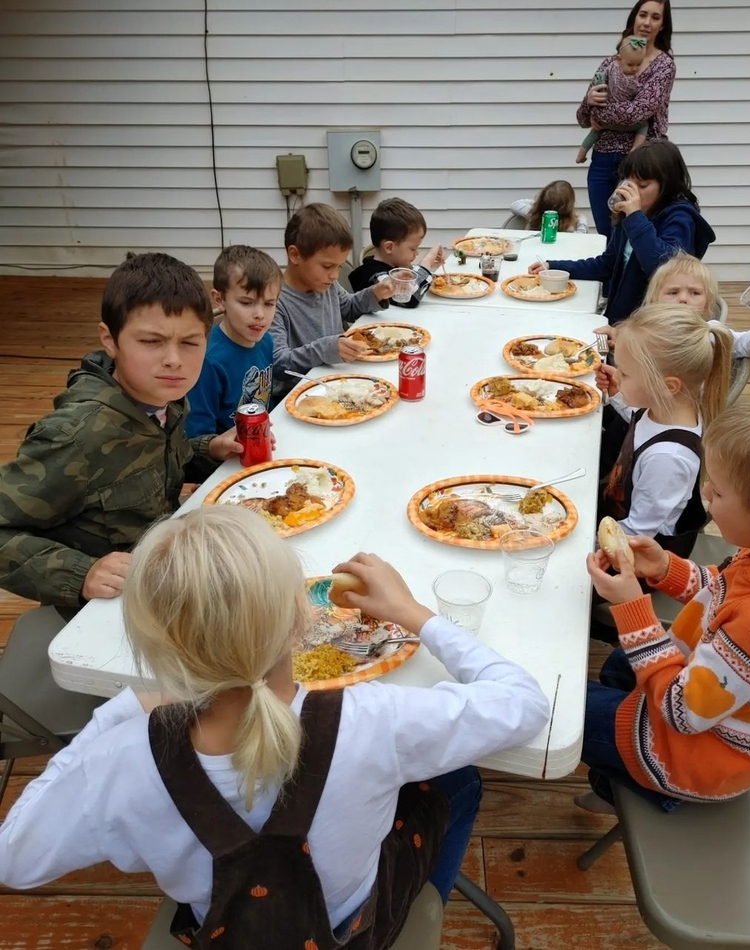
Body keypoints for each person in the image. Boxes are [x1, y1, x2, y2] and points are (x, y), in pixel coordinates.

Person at [0, 505, 550, 945]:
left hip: (220, 925)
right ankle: (426, 898)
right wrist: (414, 615)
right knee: (461, 781)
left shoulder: (120, 760)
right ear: (301, 620)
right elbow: (525, 704)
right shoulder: (377, 721)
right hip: (350, 927)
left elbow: (14, 858)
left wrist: (128, 708)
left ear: (153, 644)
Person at [579, 392, 750, 814]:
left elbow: (683, 712)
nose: (704, 495)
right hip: (701, 687)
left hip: (687, 757)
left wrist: (631, 608)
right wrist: (665, 568)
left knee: (559, 712)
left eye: (716, 492)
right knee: (617, 666)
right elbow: (722, 587)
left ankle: (645, 785)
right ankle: (619, 757)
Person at [0, 253, 241, 614]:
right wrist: (81, 574)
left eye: (190, 343)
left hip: (166, 577)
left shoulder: (166, 399)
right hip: (108, 612)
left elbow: (150, 461)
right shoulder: (74, 438)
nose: (174, 359)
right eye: (151, 342)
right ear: (109, 340)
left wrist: (211, 449)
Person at [595, 303, 732, 557]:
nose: (618, 376)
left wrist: (584, 547)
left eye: (625, 374)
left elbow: (636, 534)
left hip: (637, 556)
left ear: (668, 386)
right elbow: (641, 424)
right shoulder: (666, 409)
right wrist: (617, 392)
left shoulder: (668, 458)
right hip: (614, 516)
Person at [529, 140, 715, 325]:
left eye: (642, 185)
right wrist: (555, 267)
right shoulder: (631, 215)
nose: (631, 191)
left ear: (667, 186)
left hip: (652, 331)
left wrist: (635, 217)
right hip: (620, 320)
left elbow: (664, 271)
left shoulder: (679, 218)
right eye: (629, 182)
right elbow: (607, 264)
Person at [269, 203, 395, 406]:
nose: (334, 275)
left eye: (339, 266)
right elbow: (279, 364)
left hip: (339, 385)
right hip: (298, 400)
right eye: (327, 266)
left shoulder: (326, 284)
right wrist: (326, 348)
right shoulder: (273, 302)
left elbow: (349, 307)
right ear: (295, 255)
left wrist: (375, 293)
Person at [577, 0, 676, 237]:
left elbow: (638, 113)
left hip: (640, 162)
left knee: (630, 234)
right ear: (634, 17)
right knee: (605, 233)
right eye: (643, 15)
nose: (647, 22)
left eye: (655, 17)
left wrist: (600, 113)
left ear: (662, 25)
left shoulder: (664, 66)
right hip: (602, 159)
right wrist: (589, 101)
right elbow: (582, 118)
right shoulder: (611, 62)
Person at [186, 245, 280, 438]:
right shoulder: (207, 360)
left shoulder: (266, 341)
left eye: (269, 304)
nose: (260, 315)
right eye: (246, 303)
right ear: (219, 299)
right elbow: (197, 437)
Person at [644, 252, 750, 358]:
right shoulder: (642, 334)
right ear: (653, 301)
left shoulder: (711, 333)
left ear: (707, 303)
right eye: (673, 292)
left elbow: (744, 344)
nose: (683, 299)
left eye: (694, 293)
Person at [349, 197, 445, 307]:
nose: (417, 252)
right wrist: (427, 262)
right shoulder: (373, 276)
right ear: (389, 247)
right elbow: (410, 298)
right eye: (413, 248)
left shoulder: (395, 265)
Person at [576, 36, 649, 165]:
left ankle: (581, 154)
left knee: (594, 132)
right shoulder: (633, 79)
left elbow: (597, 91)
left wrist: (596, 113)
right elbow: (639, 104)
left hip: (604, 122)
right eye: (631, 65)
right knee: (644, 126)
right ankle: (635, 148)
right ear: (619, 59)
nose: (634, 68)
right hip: (629, 126)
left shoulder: (607, 70)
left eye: (638, 64)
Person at [508, 180, 589, 234]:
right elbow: (581, 239)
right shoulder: (579, 221)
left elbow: (515, 205)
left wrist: (537, 204)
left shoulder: (533, 213)